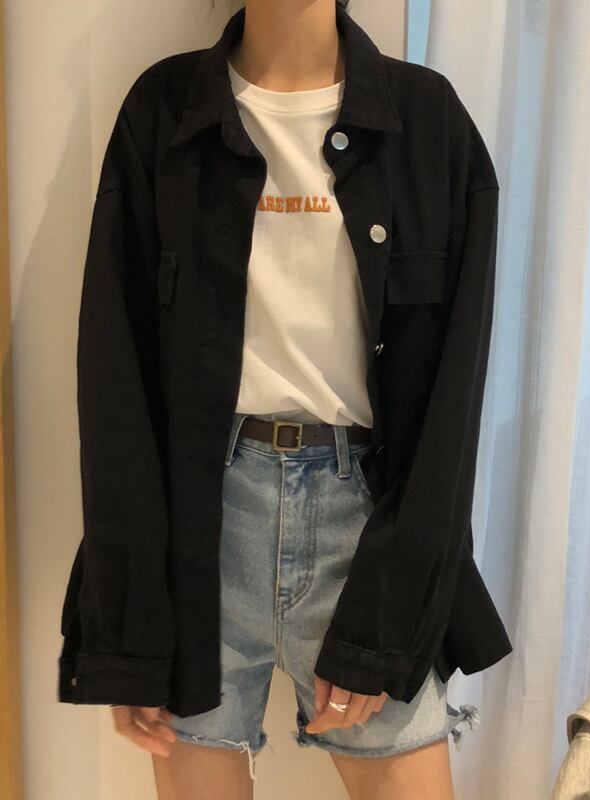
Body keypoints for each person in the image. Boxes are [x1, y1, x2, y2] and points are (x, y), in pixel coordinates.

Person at [57, 1, 513, 797]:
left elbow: (452, 399)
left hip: (362, 529)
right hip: (199, 533)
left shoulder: (427, 121)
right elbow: (115, 380)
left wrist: (389, 619)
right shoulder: (163, 111)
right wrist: (130, 636)